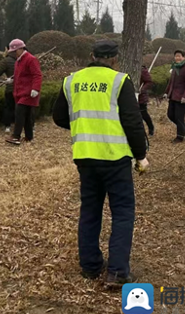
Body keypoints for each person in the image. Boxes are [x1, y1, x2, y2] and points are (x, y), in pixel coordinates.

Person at [52, 40, 149, 287]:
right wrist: (140, 155)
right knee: (123, 212)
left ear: (92, 55)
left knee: (90, 210)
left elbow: (59, 117)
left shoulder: (71, 81)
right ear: (115, 58)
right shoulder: (119, 81)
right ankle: (117, 272)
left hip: (85, 157)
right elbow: (133, 121)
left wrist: (85, 126)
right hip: (115, 158)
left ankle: (90, 266)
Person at [5, 39, 43, 146]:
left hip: (29, 93)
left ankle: (16, 136)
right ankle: (29, 137)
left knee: (19, 113)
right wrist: (12, 80)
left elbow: (37, 75)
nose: (14, 53)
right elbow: (19, 75)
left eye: (15, 51)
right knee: (26, 116)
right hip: (20, 92)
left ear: (21, 48)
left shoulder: (31, 59)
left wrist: (36, 88)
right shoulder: (18, 61)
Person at [164, 50, 185, 142]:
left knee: (179, 117)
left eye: (179, 56)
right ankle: (184, 128)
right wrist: (166, 92)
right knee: (170, 115)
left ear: (184, 57)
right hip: (173, 96)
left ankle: (180, 137)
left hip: (182, 98)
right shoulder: (175, 68)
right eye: (176, 56)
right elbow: (171, 82)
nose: (177, 58)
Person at [138, 65, 154, 136]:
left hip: (141, 97)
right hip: (131, 95)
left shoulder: (142, 70)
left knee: (143, 114)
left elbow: (149, 82)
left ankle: (151, 128)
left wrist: (142, 89)